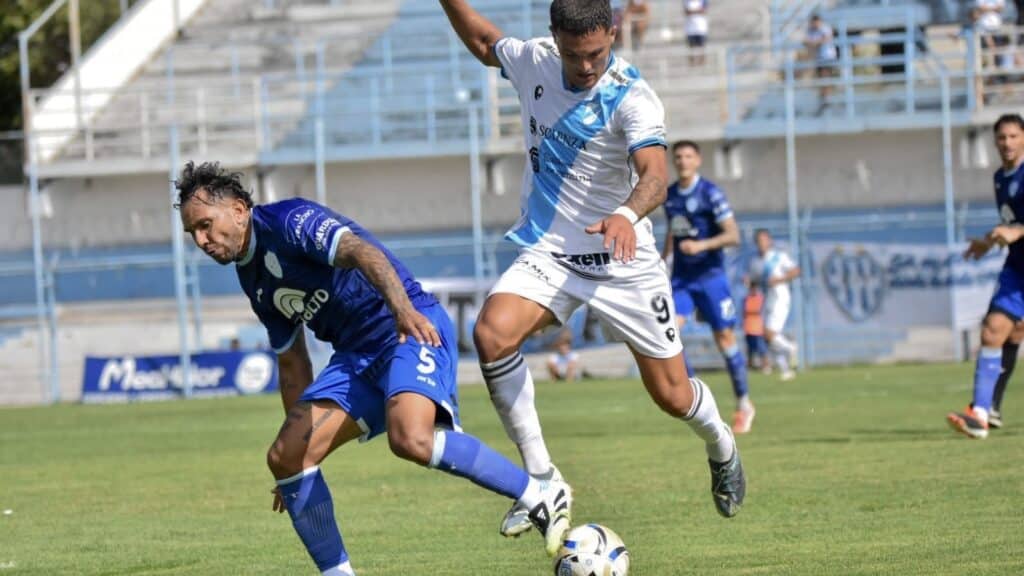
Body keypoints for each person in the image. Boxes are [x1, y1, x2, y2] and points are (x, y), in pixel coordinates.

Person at [439, 0, 745, 539]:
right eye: (576, 55)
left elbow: (654, 174)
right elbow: (486, 42)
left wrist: (627, 214)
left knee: (672, 395)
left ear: (613, 33)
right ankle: (542, 480)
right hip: (551, 252)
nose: (587, 66)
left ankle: (721, 442)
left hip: (624, 260)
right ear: (555, 38)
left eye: (598, 53)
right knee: (490, 334)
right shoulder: (533, 60)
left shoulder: (631, 95)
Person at [175, 161, 572, 574]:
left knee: (410, 438)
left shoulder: (289, 220)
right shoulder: (251, 276)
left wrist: (402, 312)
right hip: (356, 358)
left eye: (205, 225)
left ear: (239, 209)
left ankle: (539, 491)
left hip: (407, 326)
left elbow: (363, 252)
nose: (202, 240)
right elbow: (293, 363)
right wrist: (305, 455)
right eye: (193, 234)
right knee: (286, 457)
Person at [662, 140, 755, 434]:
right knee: (670, 333)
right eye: (678, 157)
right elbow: (673, 232)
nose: (682, 161)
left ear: (698, 160)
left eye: (688, 156)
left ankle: (744, 403)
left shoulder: (711, 193)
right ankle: (695, 400)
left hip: (711, 277)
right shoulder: (670, 195)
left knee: (725, 339)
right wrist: (664, 259)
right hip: (681, 280)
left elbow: (733, 235)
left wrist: (701, 244)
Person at [947, 113, 1024, 439]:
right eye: (1001, 137)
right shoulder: (999, 178)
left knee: (1014, 332)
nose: (1007, 143)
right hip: (1017, 268)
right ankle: (980, 412)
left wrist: (1017, 231)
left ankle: (988, 407)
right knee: (994, 330)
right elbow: (1010, 223)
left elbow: (1016, 226)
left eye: (1013, 136)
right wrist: (987, 243)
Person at [748, 229, 801, 381]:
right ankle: (785, 370)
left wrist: (779, 279)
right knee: (767, 337)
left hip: (780, 297)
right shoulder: (755, 262)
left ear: (769, 241)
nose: (762, 244)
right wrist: (750, 283)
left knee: (769, 333)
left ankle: (790, 347)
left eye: (764, 240)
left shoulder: (779, 257)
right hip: (767, 299)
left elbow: (796, 271)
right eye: (759, 241)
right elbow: (755, 282)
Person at [804, 14, 838, 108]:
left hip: (828, 57)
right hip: (818, 58)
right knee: (821, 78)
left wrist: (815, 42)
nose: (815, 24)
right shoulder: (811, 30)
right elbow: (806, 41)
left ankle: (826, 99)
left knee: (825, 76)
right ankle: (824, 98)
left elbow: (826, 38)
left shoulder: (825, 28)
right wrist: (813, 43)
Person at [741, 279, 768, 373]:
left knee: (761, 348)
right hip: (748, 326)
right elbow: (744, 312)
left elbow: (758, 310)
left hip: (757, 327)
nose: (753, 289)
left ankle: (765, 366)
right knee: (750, 349)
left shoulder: (760, 298)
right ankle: (750, 366)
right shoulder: (746, 299)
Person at [684, 0, 708, 67]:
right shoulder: (687, 1)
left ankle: (702, 62)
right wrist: (697, 11)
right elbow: (686, 11)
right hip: (690, 27)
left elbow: (703, 10)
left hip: (700, 27)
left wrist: (692, 11)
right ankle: (692, 62)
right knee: (691, 46)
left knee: (701, 46)